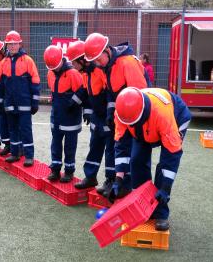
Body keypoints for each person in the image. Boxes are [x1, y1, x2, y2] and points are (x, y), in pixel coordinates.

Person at [113, 87, 191, 231]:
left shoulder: (163, 116)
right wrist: (118, 179)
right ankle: (142, 205)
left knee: (163, 167)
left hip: (176, 117)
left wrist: (165, 188)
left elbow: (171, 156)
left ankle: (161, 213)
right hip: (143, 129)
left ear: (142, 114)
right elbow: (121, 146)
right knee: (137, 161)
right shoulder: (122, 113)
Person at [84, 32, 149, 199]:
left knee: (136, 154)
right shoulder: (107, 67)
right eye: (94, 61)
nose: (97, 64)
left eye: (98, 59)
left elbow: (141, 94)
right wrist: (111, 112)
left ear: (107, 50)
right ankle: (119, 184)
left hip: (139, 114)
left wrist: (128, 120)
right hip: (123, 113)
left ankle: (133, 189)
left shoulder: (127, 63)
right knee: (120, 146)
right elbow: (112, 95)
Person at [65, 41, 116, 195]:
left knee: (111, 150)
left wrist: (110, 115)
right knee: (94, 147)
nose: (73, 65)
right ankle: (91, 177)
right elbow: (86, 91)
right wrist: (76, 101)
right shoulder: (86, 74)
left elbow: (109, 94)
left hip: (108, 118)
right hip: (97, 117)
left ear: (83, 60)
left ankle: (111, 180)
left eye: (74, 62)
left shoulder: (101, 71)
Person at [0, 31, 40, 167]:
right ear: (6, 45)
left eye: (15, 44)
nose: (13, 46)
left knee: (26, 130)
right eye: (10, 44)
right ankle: (15, 153)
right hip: (9, 104)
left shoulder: (28, 60)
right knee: (13, 129)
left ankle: (29, 156)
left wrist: (35, 101)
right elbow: (0, 85)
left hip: (25, 104)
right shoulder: (3, 62)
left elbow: (35, 81)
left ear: (20, 44)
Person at [44, 45, 83, 183]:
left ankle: (69, 171)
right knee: (55, 144)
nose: (54, 69)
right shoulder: (50, 73)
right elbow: (55, 91)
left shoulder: (73, 73)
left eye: (55, 66)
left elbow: (82, 92)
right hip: (57, 115)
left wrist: (73, 102)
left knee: (69, 146)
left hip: (71, 117)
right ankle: (55, 169)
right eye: (51, 67)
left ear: (62, 59)